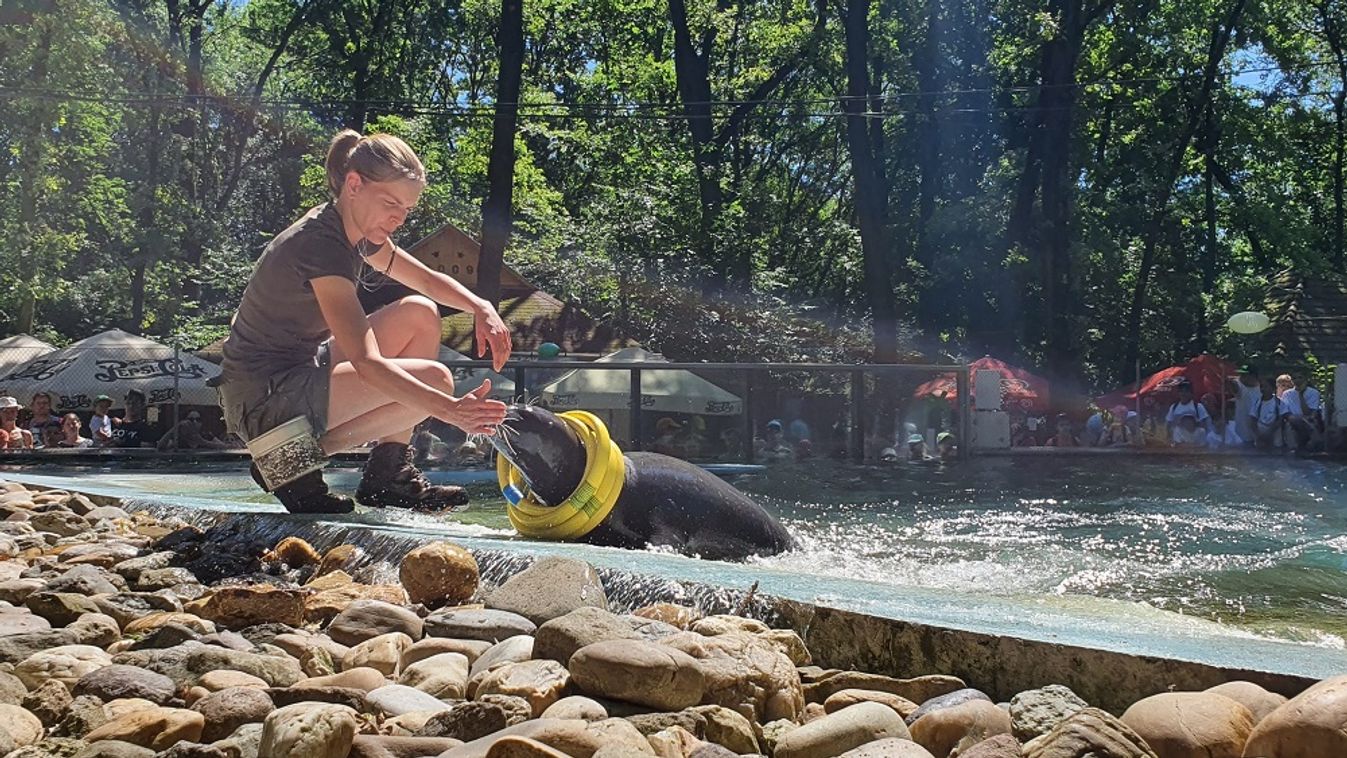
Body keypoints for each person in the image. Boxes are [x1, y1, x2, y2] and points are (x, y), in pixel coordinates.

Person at [217, 130, 512, 513]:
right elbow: (367, 363)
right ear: (354, 184)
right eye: (390, 202)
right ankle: (287, 461)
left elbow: (424, 279)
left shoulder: (355, 228)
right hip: (262, 395)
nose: (398, 218)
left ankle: (386, 476)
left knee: (420, 313)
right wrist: (450, 410)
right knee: (435, 379)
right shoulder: (322, 244)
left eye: (406, 209)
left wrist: (480, 307)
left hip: (296, 370)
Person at [157, 410, 231, 451]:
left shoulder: (207, 435)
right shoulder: (179, 439)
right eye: (191, 420)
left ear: (201, 423)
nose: (195, 422)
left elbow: (224, 447)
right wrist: (175, 428)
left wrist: (203, 442)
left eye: (198, 419)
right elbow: (160, 447)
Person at [1250, 378, 1286, 450]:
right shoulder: (1257, 402)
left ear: (1272, 388)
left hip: (1274, 429)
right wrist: (1258, 434)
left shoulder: (1279, 402)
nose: (1263, 389)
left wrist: (1270, 431)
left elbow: (1281, 419)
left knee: (1276, 448)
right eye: (1261, 387)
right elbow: (1253, 419)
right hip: (1260, 430)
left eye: (1266, 386)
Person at [1233, 365, 1261, 444]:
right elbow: (1234, 387)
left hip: (1258, 433)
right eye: (1240, 374)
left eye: (1244, 375)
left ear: (1253, 376)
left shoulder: (1263, 388)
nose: (1241, 377)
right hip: (1241, 434)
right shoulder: (1238, 384)